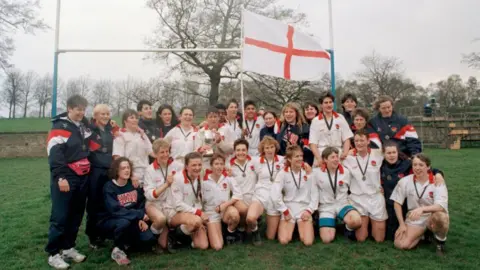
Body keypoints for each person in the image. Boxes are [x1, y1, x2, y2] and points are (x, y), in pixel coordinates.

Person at [45, 95, 92, 269]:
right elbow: (55, 155)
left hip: (83, 177)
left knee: (76, 214)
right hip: (66, 177)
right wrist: (61, 177)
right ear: (69, 108)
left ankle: (68, 247)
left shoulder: (83, 126)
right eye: (78, 109)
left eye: (83, 109)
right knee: (60, 216)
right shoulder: (59, 127)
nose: (81, 112)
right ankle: (53, 253)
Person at [381, 141, 445, 241]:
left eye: (394, 152)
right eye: (388, 153)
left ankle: (427, 232)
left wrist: (438, 173)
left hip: (405, 204)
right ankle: (420, 235)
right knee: (390, 237)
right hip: (388, 203)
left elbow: (425, 168)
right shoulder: (380, 165)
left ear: (398, 153)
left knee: (401, 235)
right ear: (383, 154)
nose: (391, 155)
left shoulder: (407, 164)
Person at [98, 157, 156, 265]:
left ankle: (127, 245)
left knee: (149, 240)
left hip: (133, 218)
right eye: (123, 168)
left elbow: (141, 203)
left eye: (128, 167)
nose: (126, 170)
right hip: (113, 220)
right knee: (124, 223)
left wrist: (141, 218)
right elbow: (115, 210)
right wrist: (139, 215)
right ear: (116, 170)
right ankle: (118, 249)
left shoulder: (133, 184)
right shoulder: (109, 187)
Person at [390, 154, 449, 255]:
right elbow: (397, 203)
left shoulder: (437, 181)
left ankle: (440, 242)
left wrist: (422, 209)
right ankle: (424, 235)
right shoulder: (405, 181)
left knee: (441, 218)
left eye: (421, 165)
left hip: (432, 215)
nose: (417, 168)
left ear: (428, 167)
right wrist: (402, 224)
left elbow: (440, 206)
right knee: (401, 244)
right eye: (415, 165)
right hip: (415, 217)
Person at [343, 129, 387, 242]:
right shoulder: (348, 158)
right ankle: (352, 228)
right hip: (358, 198)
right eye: (356, 141)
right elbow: (329, 161)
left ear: (368, 141)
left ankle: (374, 224)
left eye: (362, 140)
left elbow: (399, 157)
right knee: (361, 238)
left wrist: (436, 173)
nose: (359, 143)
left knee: (379, 239)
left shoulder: (378, 153)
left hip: (375, 197)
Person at [270, 145, 318, 246]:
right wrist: (285, 211)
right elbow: (275, 194)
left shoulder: (308, 172)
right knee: (284, 240)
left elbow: (315, 194)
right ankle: (293, 226)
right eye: (296, 156)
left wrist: (309, 210)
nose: (300, 158)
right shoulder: (283, 173)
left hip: (304, 208)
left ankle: (301, 226)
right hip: (289, 208)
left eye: (301, 156)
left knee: (308, 242)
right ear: (289, 159)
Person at [313, 147, 362, 243]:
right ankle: (329, 222)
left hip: (342, 204)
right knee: (327, 239)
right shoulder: (316, 173)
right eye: (332, 157)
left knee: (356, 221)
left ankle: (348, 229)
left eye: (337, 156)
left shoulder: (346, 172)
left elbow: (356, 185)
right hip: (326, 207)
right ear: (325, 159)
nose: (336, 159)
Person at [143, 139, 183, 252]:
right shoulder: (149, 170)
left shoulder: (177, 165)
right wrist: (166, 184)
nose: (165, 155)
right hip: (154, 204)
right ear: (155, 154)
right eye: (162, 152)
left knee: (182, 216)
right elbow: (150, 195)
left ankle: (173, 236)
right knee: (161, 219)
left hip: (170, 203)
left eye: (167, 151)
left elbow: (191, 170)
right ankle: (151, 240)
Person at [86, 104, 117, 248]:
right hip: (96, 171)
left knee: (107, 202)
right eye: (102, 114)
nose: (105, 117)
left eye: (107, 114)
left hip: (109, 170)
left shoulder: (111, 129)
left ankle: (104, 233)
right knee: (94, 203)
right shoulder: (89, 129)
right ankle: (93, 235)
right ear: (95, 116)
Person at [246, 136, 284, 245]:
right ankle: (255, 232)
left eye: (272, 147)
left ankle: (263, 221)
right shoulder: (256, 160)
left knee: (271, 237)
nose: (269, 150)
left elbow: (296, 162)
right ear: (263, 149)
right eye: (267, 148)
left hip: (275, 198)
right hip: (260, 195)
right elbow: (241, 162)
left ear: (275, 148)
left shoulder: (282, 160)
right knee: (250, 218)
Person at [168, 152, 209, 250]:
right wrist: (199, 213)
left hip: (192, 213)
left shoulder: (200, 175)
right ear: (186, 166)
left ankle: (184, 240)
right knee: (196, 221)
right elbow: (178, 205)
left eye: (199, 165)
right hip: (175, 213)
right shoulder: (178, 178)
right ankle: (173, 235)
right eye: (193, 165)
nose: (197, 168)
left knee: (203, 246)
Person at [202, 154, 243, 250]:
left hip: (225, 210)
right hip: (211, 213)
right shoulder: (204, 181)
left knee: (234, 215)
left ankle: (229, 233)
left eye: (221, 164)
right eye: (216, 164)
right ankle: (213, 230)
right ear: (211, 166)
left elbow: (238, 194)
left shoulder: (228, 178)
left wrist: (224, 205)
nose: (219, 166)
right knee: (217, 246)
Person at [310, 92, 353, 165]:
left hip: (338, 155)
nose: (329, 105)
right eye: (326, 103)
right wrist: (318, 158)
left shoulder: (340, 118)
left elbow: (346, 138)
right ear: (321, 105)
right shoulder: (315, 121)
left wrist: (345, 153)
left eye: (330, 102)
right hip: (322, 155)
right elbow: (313, 143)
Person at [113, 109, 153, 186]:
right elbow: (118, 158)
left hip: (146, 174)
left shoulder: (142, 135)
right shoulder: (120, 135)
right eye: (131, 117)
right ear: (125, 121)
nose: (135, 120)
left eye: (136, 118)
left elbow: (152, 152)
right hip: (130, 177)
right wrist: (131, 175)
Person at [227, 139, 257, 239]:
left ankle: (248, 226)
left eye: (243, 150)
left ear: (247, 151)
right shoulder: (229, 166)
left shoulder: (254, 161)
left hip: (253, 197)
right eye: (238, 150)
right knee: (244, 210)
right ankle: (240, 228)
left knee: (248, 232)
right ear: (234, 152)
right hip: (238, 198)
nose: (241, 153)